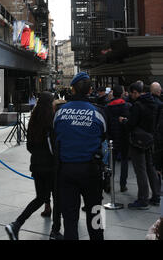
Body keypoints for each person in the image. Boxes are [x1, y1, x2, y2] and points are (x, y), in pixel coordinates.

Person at [53, 72, 106, 240]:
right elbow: (103, 137)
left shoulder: (59, 113)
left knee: (70, 218)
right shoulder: (99, 113)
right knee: (96, 213)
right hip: (92, 171)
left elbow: (54, 137)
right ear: (90, 90)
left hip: (66, 171)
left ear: (73, 90)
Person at [5, 92, 63, 241]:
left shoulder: (33, 121)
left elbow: (29, 146)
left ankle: (16, 224)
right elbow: (54, 147)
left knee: (40, 198)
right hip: (51, 166)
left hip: (36, 166)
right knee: (57, 198)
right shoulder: (51, 121)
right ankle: (55, 231)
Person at [119, 82, 160, 209]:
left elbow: (131, 124)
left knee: (140, 170)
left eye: (132, 93)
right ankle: (156, 196)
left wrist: (124, 121)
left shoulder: (138, 105)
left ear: (135, 92)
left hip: (137, 141)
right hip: (149, 139)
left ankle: (143, 199)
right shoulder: (153, 103)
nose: (131, 95)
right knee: (150, 167)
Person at [105, 85, 131, 192]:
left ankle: (109, 184)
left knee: (111, 162)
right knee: (124, 161)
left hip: (112, 137)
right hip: (124, 137)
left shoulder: (107, 107)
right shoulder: (127, 106)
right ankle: (123, 185)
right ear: (121, 93)